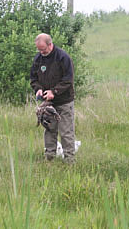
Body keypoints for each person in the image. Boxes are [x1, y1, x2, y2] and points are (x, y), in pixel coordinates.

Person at [30, 33, 76, 163]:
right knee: (49, 130)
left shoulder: (63, 57)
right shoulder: (38, 59)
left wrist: (54, 92)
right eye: (39, 49)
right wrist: (38, 89)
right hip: (47, 104)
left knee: (66, 132)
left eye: (43, 49)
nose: (41, 52)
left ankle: (69, 160)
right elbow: (33, 78)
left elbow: (68, 80)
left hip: (64, 102)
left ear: (50, 45)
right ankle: (49, 158)